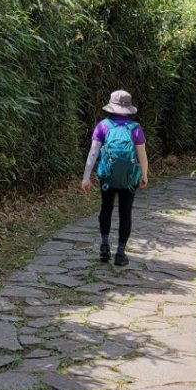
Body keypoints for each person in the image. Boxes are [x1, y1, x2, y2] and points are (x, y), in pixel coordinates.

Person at [80, 89, 149, 266]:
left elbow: (93, 153)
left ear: (111, 106)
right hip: (129, 179)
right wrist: (144, 175)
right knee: (125, 213)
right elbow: (142, 156)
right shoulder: (135, 129)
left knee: (106, 208)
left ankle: (104, 245)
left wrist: (86, 178)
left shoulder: (103, 126)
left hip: (107, 177)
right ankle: (120, 253)